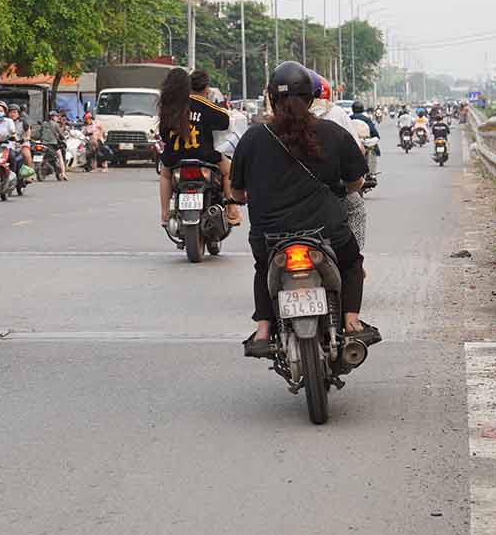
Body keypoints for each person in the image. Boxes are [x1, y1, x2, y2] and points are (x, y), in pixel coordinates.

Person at [230, 62, 378, 355]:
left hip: (270, 236)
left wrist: (247, 197)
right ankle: (351, 322)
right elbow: (356, 182)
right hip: (327, 232)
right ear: (311, 98)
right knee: (351, 264)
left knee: (263, 268)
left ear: (271, 98)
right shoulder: (334, 133)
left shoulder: (253, 138)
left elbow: (237, 192)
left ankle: (263, 329)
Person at [156, 69, 241, 228]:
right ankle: (232, 209)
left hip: (175, 157)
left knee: (165, 175)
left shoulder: (170, 108)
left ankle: (165, 214)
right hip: (205, 156)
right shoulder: (204, 104)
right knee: (229, 170)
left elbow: (164, 134)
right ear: (205, 88)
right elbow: (225, 121)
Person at [35, 110, 68, 179]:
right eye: (56, 116)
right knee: (60, 157)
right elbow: (60, 134)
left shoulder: (43, 124)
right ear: (53, 117)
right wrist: (63, 137)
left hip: (43, 144)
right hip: (53, 145)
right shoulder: (56, 124)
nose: (57, 118)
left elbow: (39, 134)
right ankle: (63, 173)